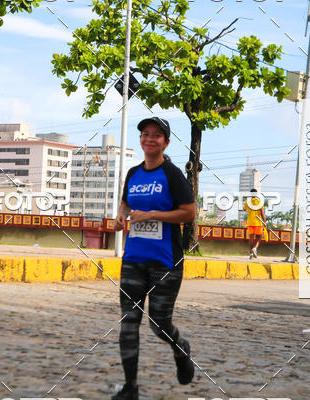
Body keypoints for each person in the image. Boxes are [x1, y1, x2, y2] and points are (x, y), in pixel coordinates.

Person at [112, 117, 196, 400]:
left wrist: (152, 215)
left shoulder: (172, 174)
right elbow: (126, 202)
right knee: (128, 322)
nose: (149, 139)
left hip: (165, 261)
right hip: (133, 259)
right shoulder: (133, 173)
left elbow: (189, 212)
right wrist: (121, 216)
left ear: (166, 142)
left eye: (156, 135)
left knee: (159, 324)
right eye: (145, 134)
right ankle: (130, 388)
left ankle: (180, 348)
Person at [244, 189, 266, 259]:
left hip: (250, 222)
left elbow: (244, 209)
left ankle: (250, 254)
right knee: (259, 237)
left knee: (251, 238)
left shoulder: (247, 202)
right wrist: (265, 222)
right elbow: (262, 213)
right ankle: (254, 248)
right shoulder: (260, 202)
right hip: (258, 223)